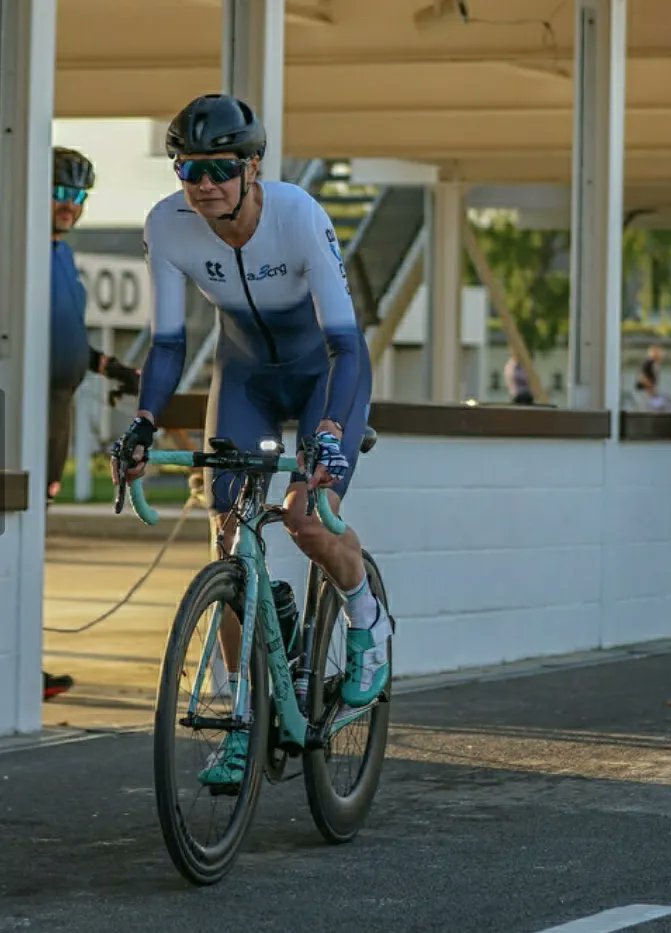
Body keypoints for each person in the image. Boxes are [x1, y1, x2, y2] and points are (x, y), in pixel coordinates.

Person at [110, 94, 389, 785]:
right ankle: (245, 715)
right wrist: (144, 422)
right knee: (229, 541)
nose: (203, 184)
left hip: (322, 374)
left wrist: (327, 433)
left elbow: (346, 346)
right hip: (244, 377)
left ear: (252, 167)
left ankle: (367, 621)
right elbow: (169, 344)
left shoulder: (298, 216)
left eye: (219, 168)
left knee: (302, 517)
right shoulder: (168, 226)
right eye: (188, 169)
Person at [46, 147, 140, 702]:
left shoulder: (63, 258)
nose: (68, 206)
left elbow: (69, 341)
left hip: (54, 420)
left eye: (78, 196)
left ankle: (18, 661)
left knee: (30, 549)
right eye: (59, 193)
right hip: (19, 416)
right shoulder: (18, 251)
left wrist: (113, 367)